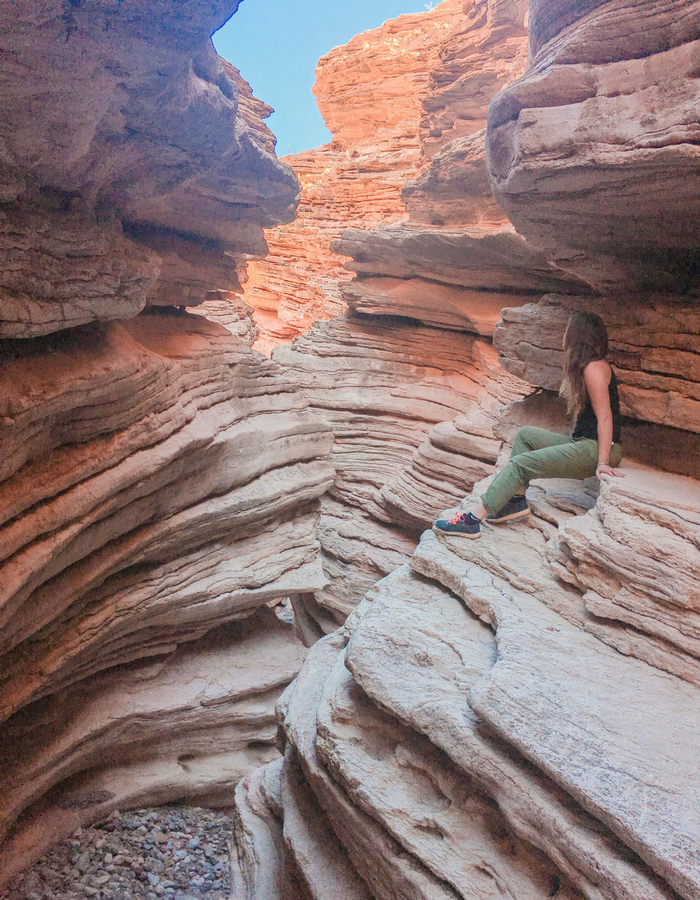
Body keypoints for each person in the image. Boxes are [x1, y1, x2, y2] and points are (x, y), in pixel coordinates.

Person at [434, 311, 625, 540]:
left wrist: (603, 462)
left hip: (597, 448)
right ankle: (515, 501)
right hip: (585, 443)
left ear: (576, 336)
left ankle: (471, 520)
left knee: (519, 464)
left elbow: (605, 417)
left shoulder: (593, 367)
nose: (564, 335)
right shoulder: (588, 366)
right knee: (525, 435)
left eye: (567, 330)